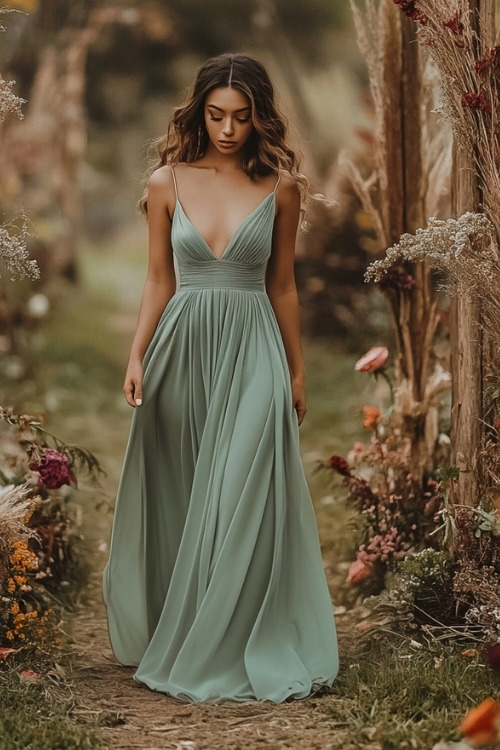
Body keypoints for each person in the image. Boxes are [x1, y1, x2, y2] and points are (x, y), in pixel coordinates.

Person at [102, 52, 338, 703]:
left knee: (238, 489)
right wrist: (136, 353)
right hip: (182, 348)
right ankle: (185, 618)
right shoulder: (164, 182)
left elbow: (283, 286)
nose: (228, 129)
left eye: (241, 116)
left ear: (259, 116)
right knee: (187, 493)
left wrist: (294, 370)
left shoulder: (281, 188)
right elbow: (158, 278)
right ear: (198, 112)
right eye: (216, 116)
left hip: (255, 346)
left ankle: (227, 641)